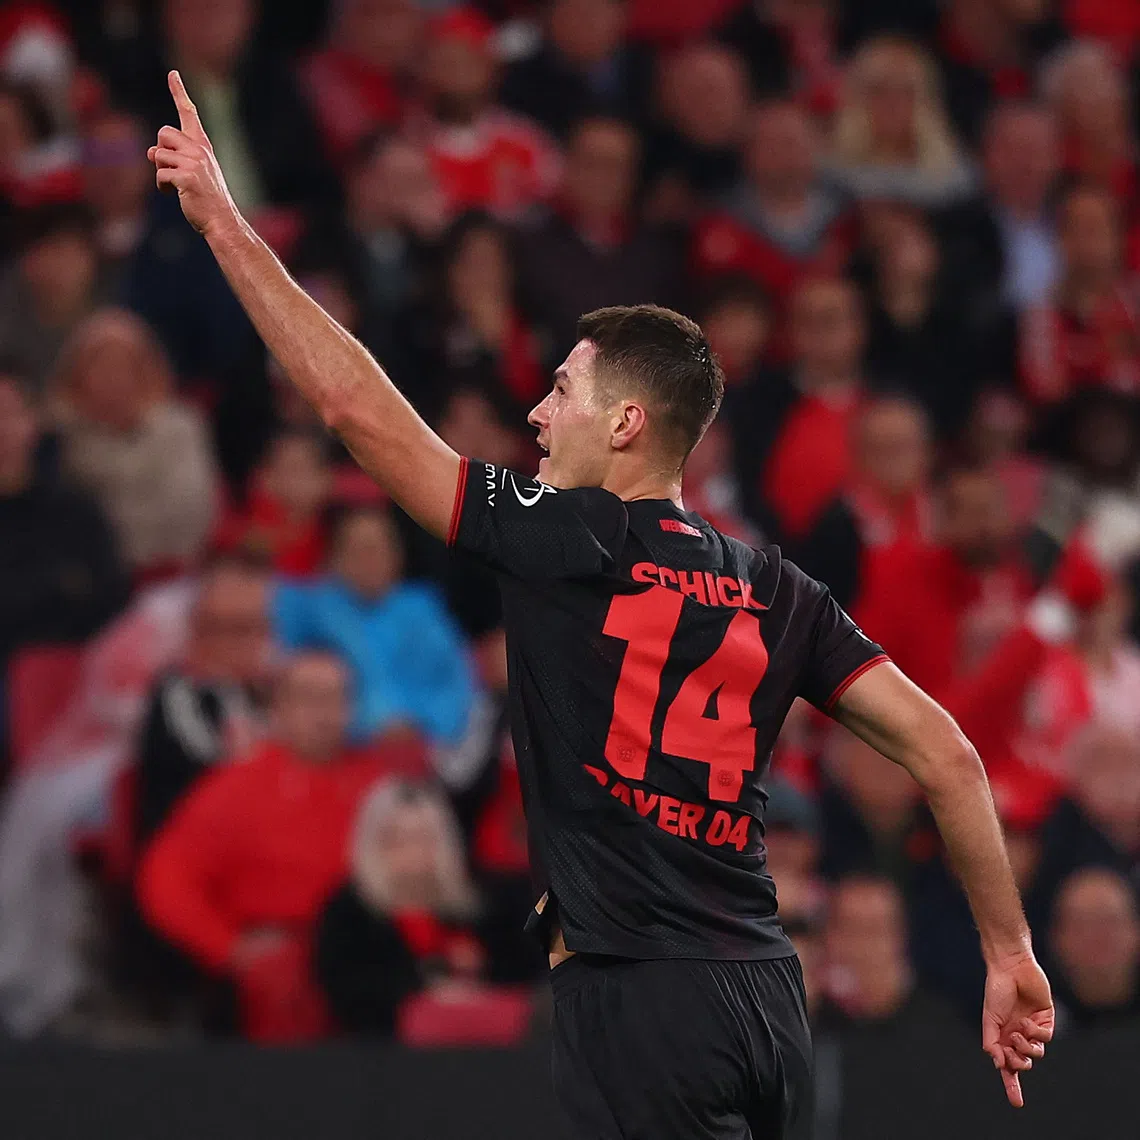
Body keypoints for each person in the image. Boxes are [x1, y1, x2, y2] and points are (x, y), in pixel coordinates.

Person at [150, 70, 1054, 1131]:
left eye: (564, 390)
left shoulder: (560, 535)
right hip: (766, 997)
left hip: (639, 1000)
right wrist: (1010, 949)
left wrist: (224, 225)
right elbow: (947, 755)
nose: (537, 412)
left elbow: (354, 407)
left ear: (626, 424)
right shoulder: (778, 587)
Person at [136, 651, 388, 1034]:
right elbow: (166, 880)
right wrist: (229, 949)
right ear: (277, 709)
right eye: (309, 698)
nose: (325, 712)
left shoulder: (379, 785)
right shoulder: (234, 788)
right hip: (282, 957)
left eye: (337, 698)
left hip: (371, 948)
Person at [273, 504, 479, 748]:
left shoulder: (425, 609)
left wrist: (421, 724)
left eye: (380, 548)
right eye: (360, 550)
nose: (371, 560)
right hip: (340, 750)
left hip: (426, 747)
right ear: (335, 557)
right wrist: (374, 727)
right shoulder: (311, 612)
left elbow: (458, 683)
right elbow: (293, 687)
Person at [51, 308, 220, 578]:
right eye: (99, 365)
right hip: (81, 577)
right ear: (76, 374)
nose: (113, 377)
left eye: (124, 365)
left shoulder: (180, 429)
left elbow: (188, 518)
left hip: (168, 574)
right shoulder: (58, 436)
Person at [315, 778, 483, 1036]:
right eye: (398, 840)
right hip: (386, 1052)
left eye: (423, 839)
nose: (413, 853)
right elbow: (349, 994)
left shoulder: (473, 908)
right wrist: (427, 994)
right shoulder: (349, 913)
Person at [828, 36, 974, 209]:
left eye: (906, 93)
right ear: (858, 99)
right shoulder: (832, 176)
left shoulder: (954, 180)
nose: (893, 104)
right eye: (880, 91)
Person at [1047, 866, 1140, 1031]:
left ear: (1135, 932)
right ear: (1057, 939)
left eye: (1109, 921)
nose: (1095, 937)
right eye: (1080, 925)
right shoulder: (1031, 1034)